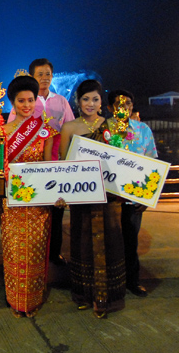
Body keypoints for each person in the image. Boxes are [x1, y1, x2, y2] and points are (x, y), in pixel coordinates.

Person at [60, 79, 126, 318]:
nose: (90, 103)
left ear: (101, 102)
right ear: (78, 102)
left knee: (110, 241)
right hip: (82, 197)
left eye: (95, 99)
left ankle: (108, 296)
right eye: (85, 99)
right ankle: (84, 294)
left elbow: (121, 160)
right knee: (83, 242)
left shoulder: (112, 126)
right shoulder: (69, 128)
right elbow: (64, 165)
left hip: (108, 197)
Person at [1, 75, 60, 318]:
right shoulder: (2, 132)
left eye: (31, 100)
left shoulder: (45, 131)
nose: (27, 105)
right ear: (12, 103)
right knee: (14, 251)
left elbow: (49, 165)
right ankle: (16, 302)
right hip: (12, 203)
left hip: (38, 204)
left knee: (36, 250)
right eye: (21, 100)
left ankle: (33, 301)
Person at [7, 59, 74, 266]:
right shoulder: (24, 100)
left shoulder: (61, 101)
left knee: (54, 213)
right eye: (40, 75)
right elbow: (11, 135)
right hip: (27, 167)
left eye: (48, 74)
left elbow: (70, 130)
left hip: (53, 160)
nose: (45, 78)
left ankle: (53, 254)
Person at [107, 89, 158, 297]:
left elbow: (152, 162)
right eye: (118, 104)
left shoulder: (143, 130)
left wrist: (147, 197)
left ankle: (132, 281)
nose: (123, 107)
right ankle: (108, 284)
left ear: (132, 106)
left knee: (130, 241)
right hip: (108, 199)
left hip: (133, 199)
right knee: (107, 242)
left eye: (127, 103)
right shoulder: (103, 129)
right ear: (110, 108)